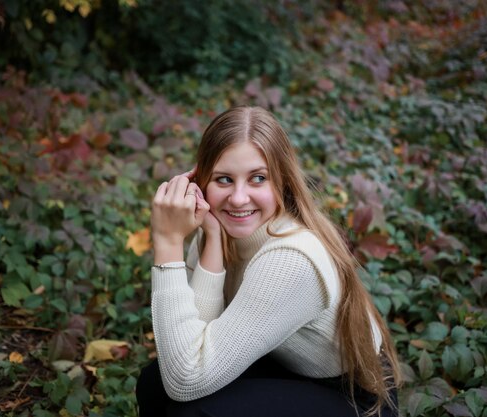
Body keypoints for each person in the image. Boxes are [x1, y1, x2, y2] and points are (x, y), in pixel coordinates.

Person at [136, 106, 401, 417]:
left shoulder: (290, 259)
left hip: (356, 399)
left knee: (197, 413)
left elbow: (186, 379)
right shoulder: (217, 226)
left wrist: (167, 243)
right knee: (153, 384)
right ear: (202, 180)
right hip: (287, 367)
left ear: (282, 183)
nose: (238, 198)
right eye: (223, 179)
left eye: (258, 178)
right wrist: (212, 244)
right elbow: (192, 352)